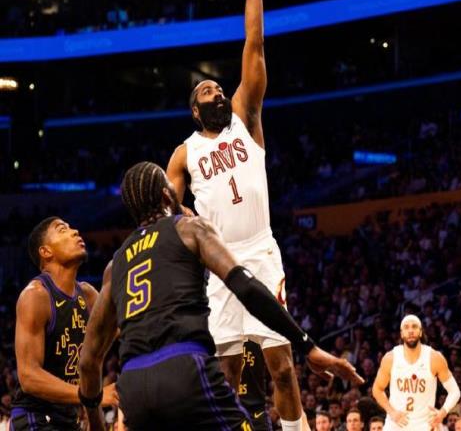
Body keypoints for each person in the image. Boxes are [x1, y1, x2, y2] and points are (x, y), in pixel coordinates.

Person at [78, 162, 364, 431]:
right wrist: (307, 346)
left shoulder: (115, 265)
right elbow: (246, 287)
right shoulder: (189, 228)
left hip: (134, 385)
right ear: (167, 195)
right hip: (184, 368)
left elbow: (89, 360)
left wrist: (95, 422)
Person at [166, 0, 312, 428]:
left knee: (281, 366)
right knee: (225, 374)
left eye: (218, 88)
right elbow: (164, 208)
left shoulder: (245, 118)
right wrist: (188, 219)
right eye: (207, 91)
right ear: (196, 111)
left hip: (260, 253)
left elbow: (254, 41)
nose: (217, 91)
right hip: (219, 265)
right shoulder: (184, 153)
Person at [10, 217, 117, 430]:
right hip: (34, 417)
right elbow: (29, 377)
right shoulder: (36, 296)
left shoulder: (87, 295)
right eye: (62, 229)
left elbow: (120, 330)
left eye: (71, 228)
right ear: (46, 252)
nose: (75, 231)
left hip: (69, 417)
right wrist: (91, 396)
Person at [372, 315, 461, 430]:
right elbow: (377, 389)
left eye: (414, 327)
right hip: (395, 425)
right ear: (401, 333)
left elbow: (455, 391)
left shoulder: (434, 358)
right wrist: (392, 412)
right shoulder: (390, 358)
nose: (410, 331)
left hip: (423, 425)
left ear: (420, 332)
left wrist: (442, 413)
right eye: (406, 327)